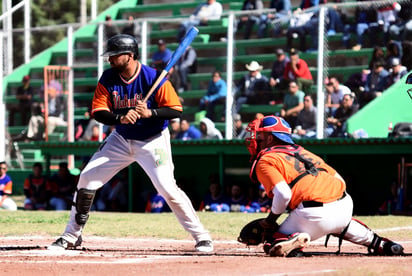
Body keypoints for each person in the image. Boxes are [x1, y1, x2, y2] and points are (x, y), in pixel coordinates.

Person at [48, 34, 213, 253]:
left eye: (115, 55)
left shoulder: (153, 77)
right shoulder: (108, 78)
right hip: (121, 138)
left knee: (167, 188)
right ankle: (72, 235)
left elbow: (175, 109)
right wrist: (120, 118)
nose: (110, 60)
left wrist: (150, 112)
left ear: (129, 55)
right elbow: (98, 112)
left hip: (153, 140)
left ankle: (202, 236)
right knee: (87, 177)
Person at [243, 114, 404, 257]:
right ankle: (380, 243)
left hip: (313, 214)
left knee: (271, 243)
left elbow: (284, 194)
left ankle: (291, 239)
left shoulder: (266, 159)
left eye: (260, 137)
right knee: (338, 224)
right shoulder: (304, 152)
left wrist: (271, 220)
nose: (255, 140)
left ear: (270, 139)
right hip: (345, 204)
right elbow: (340, 180)